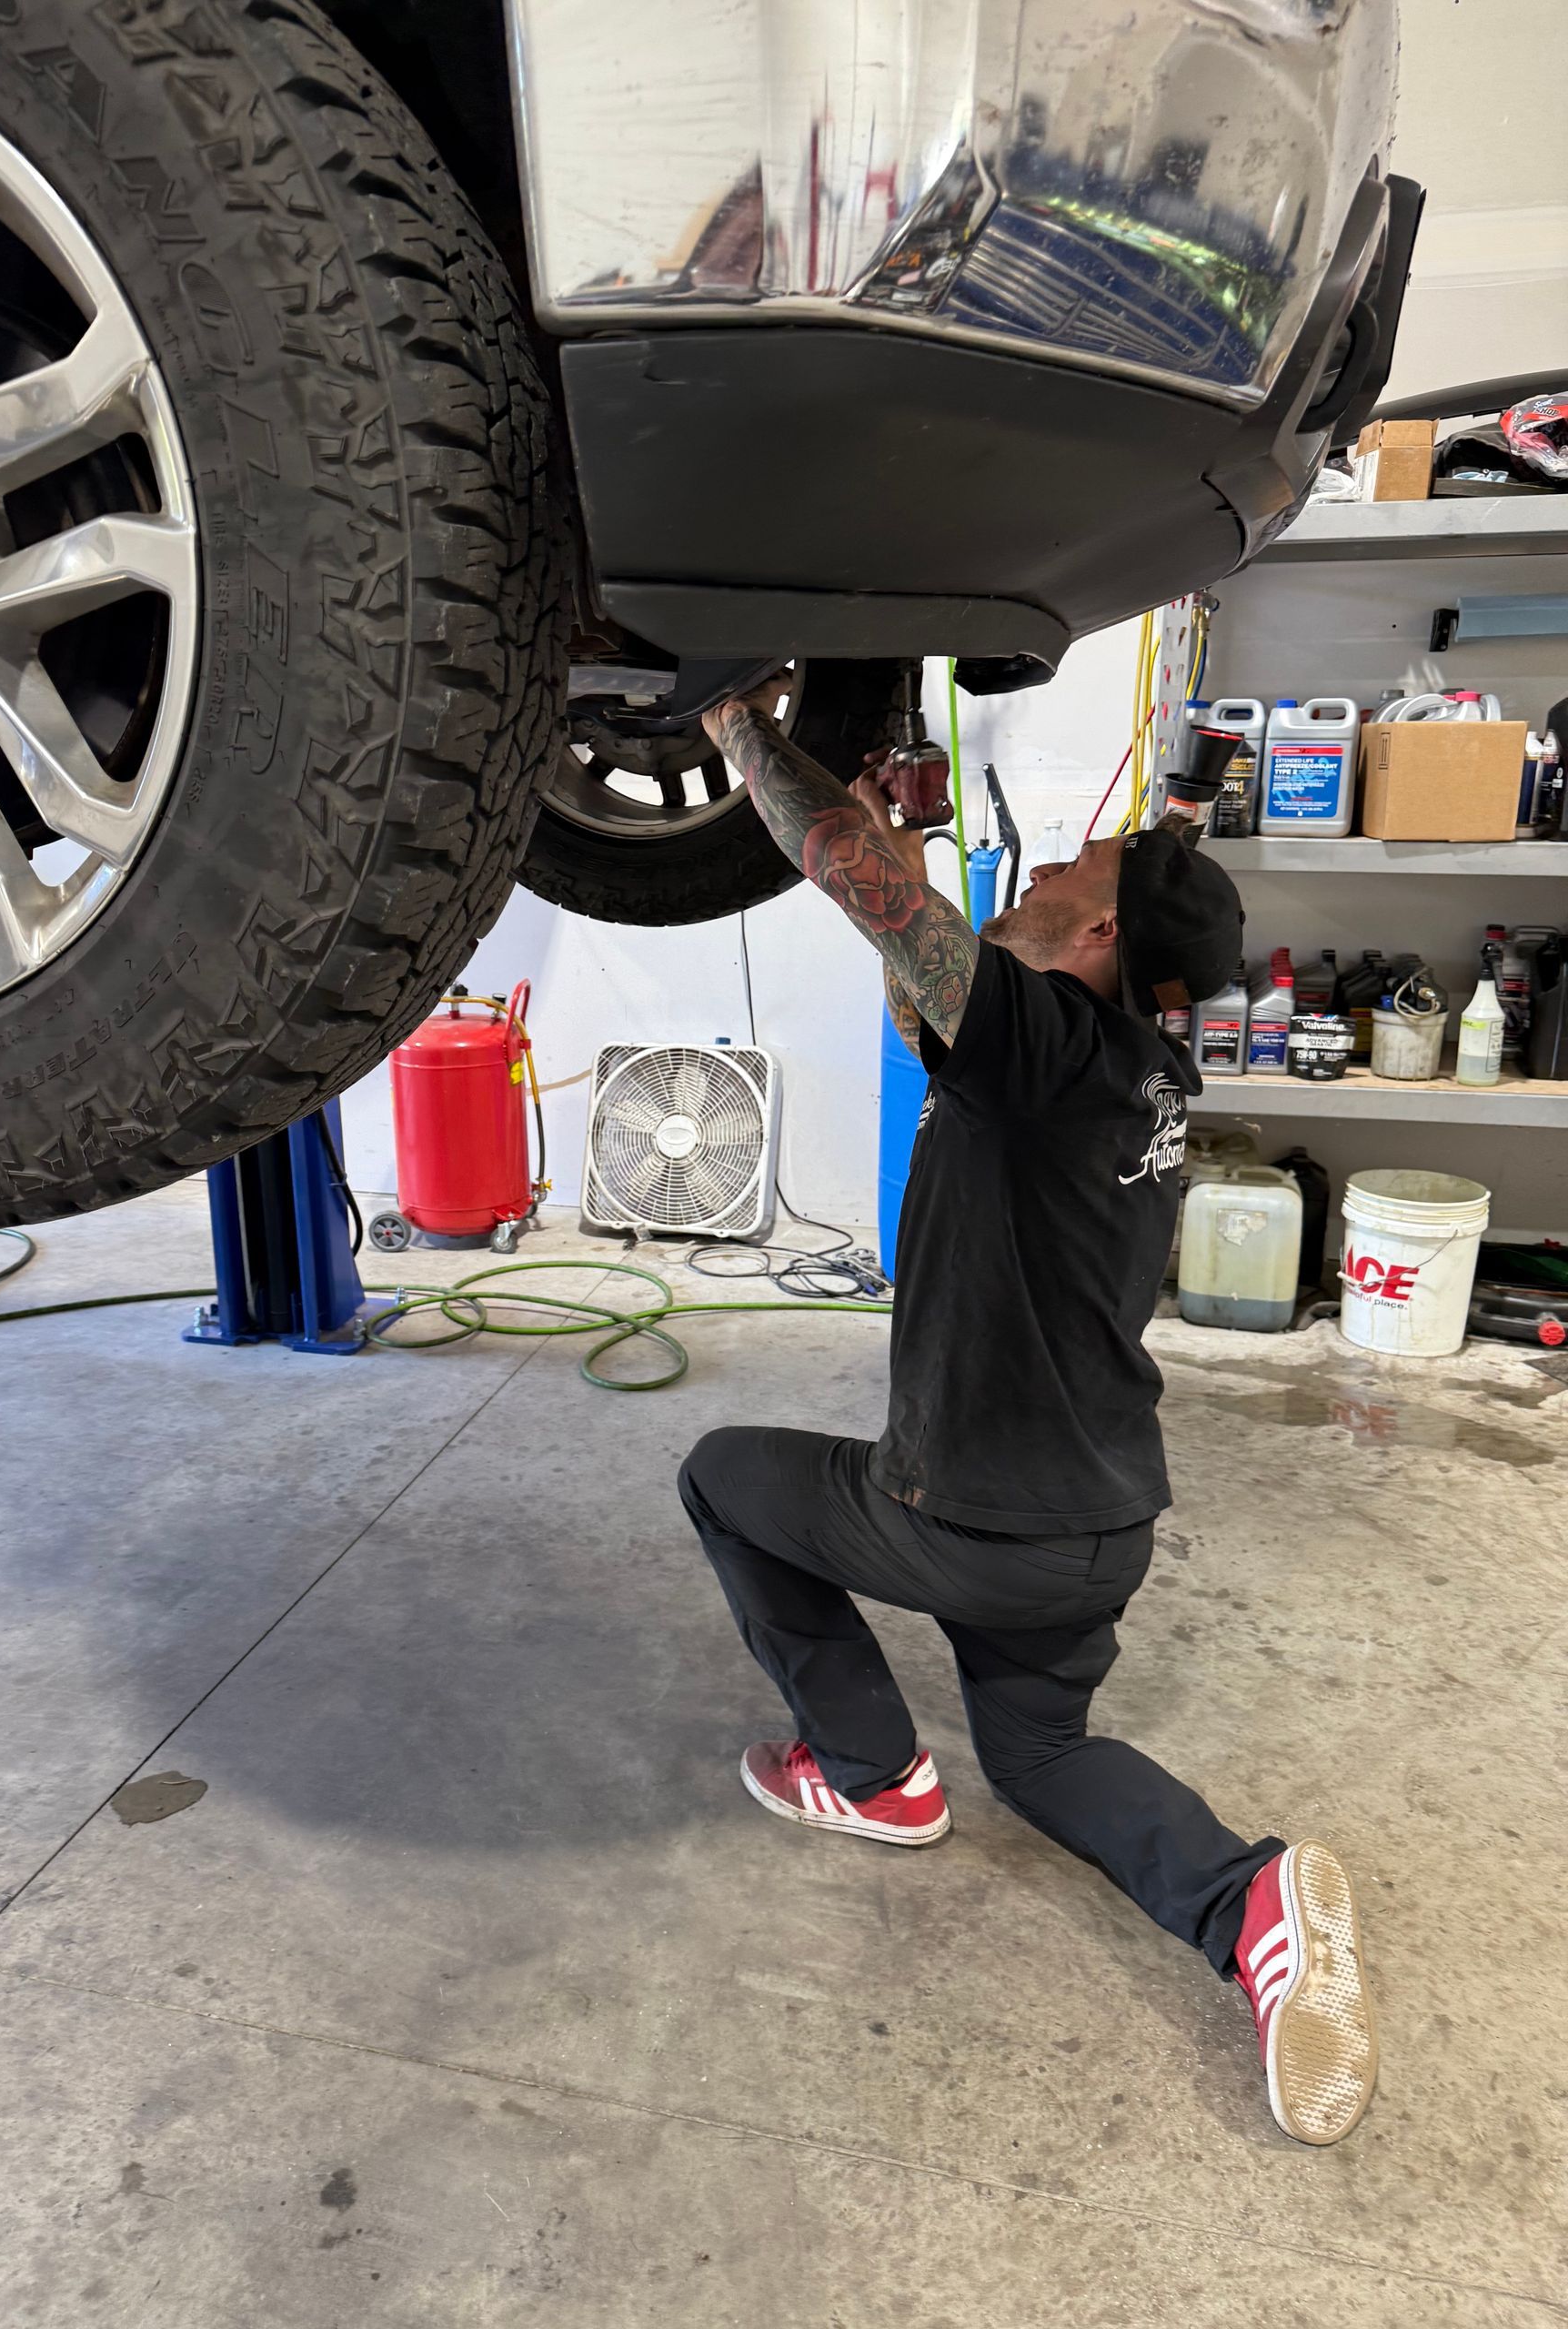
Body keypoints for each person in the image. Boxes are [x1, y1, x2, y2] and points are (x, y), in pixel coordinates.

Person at [678, 677, 1376, 2147]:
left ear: (1099, 935)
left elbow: (862, 896)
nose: (1046, 862)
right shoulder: (1133, 1068)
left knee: (725, 1472)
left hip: (984, 1522)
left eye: (1071, 864)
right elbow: (922, 969)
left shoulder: (1046, 1051)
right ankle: (1246, 1899)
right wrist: (914, 838)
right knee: (1044, 1756)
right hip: (1100, 1521)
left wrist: (738, 725)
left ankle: (869, 1774)